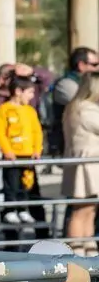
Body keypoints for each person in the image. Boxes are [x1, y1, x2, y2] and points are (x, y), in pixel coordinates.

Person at [0, 75, 43, 225]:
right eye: (29, 92)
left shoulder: (30, 111)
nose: (32, 96)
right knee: (11, 184)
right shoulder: (4, 110)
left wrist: (37, 150)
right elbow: (0, 132)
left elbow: (37, 131)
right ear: (18, 91)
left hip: (28, 155)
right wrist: (7, 150)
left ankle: (22, 208)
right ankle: (10, 210)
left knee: (26, 184)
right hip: (13, 156)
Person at [61, 72, 99, 256]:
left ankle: (89, 248)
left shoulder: (74, 107)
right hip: (88, 164)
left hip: (86, 163)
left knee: (89, 210)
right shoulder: (87, 109)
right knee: (81, 211)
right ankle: (77, 251)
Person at [51, 47, 99, 156]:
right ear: (81, 65)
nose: (98, 68)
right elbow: (85, 102)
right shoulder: (66, 85)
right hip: (78, 151)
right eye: (95, 64)